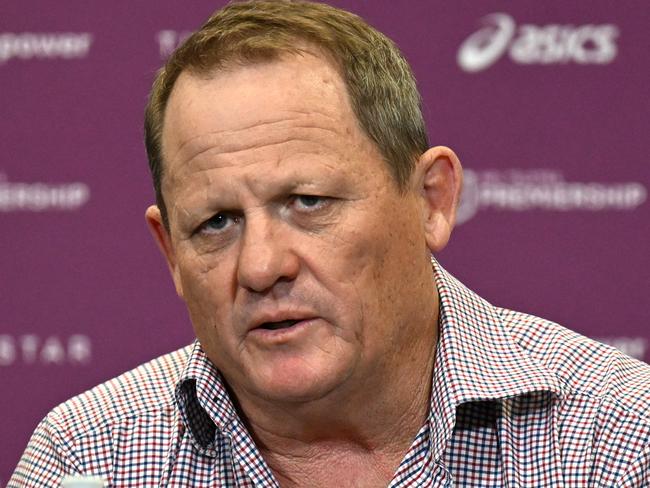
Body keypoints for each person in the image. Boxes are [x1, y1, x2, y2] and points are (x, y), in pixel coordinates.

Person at [10, 1, 650, 486]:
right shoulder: (89, 458)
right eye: (216, 224)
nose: (261, 266)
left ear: (431, 200)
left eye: (308, 203)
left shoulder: (617, 439)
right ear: (170, 253)